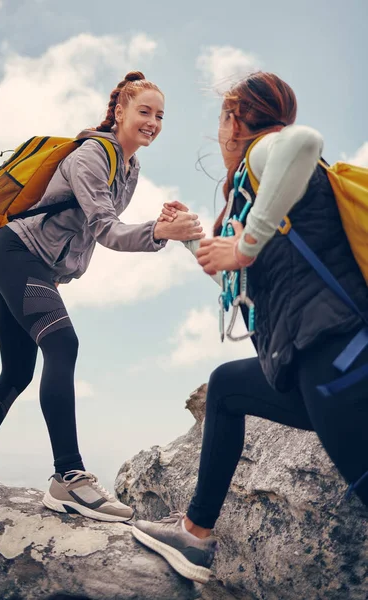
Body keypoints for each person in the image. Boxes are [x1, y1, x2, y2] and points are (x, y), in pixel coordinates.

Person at [131, 71, 368, 582]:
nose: (219, 133)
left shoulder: (265, 150)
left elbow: (304, 140)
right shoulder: (257, 194)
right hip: (312, 368)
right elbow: (242, 277)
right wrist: (191, 239)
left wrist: (243, 245)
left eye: (222, 119)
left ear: (235, 121)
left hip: (341, 356)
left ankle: (195, 536)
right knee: (227, 387)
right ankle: (195, 535)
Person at [0, 71, 204, 523]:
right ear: (120, 111)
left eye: (160, 116)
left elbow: (89, 224)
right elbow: (106, 231)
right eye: (144, 111)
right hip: (15, 254)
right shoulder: (93, 154)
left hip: (27, 261)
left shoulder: (131, 167)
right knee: (63, 344)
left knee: (17, 371)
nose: (153, 122)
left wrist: (157, 223)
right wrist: (160, 232)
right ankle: (69, 477)